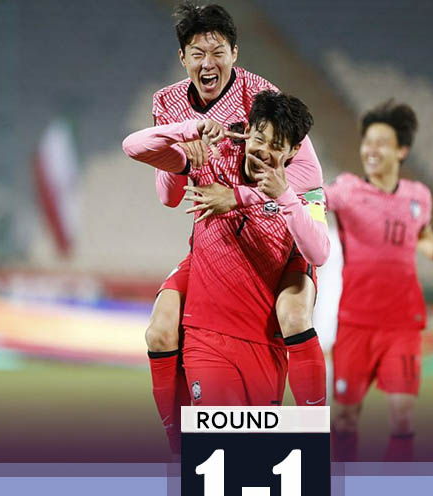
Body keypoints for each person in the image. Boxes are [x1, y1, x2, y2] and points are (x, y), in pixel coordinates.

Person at [138, 2, 326, 450]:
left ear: (234, 53)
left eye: (218, 51)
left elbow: (309, 179)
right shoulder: (167, 104)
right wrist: (181, 157)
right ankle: (178, 445)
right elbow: (168, 196)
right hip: (220, 238)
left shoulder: (260, 95)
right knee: (160, 329)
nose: (208, 63)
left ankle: (315, 433)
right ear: (183, 58)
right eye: (197, 53)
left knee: (293, 315)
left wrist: (240, 196)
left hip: (279, 229)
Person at [124, 90, 328, 405]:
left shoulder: (305, 189)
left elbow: (319, 253)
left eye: (276, 147)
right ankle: (176, 437)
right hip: (208, 330)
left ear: (294, 150)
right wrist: (189, 129)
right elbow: (132, 146)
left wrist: (279, 197)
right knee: (162, 335)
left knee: (294, 317)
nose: (263, 152)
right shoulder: (213, 157)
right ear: (247, 130)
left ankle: (314, 428)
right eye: (259, 139)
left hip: (263, 330)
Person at [325, 100, 433, 462]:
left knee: (403, 416)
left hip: (402, 324)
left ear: (401, 151)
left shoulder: (418, 196)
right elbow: (314, 200)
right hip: (355, 323)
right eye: (367, 142)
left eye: (381, 143)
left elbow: (421, 233)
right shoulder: (347, 189)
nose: (370, 150)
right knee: (344, 418)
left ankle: (396, 489)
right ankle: (338, 487)